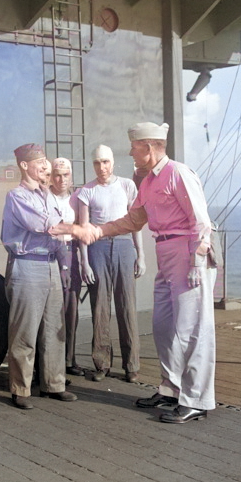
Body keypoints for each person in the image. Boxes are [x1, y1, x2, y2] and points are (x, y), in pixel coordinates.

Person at [53, 122, 217, 424]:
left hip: (187, 252)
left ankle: (196, 400)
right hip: (166, 252)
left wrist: (197, 262)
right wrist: (95, 231)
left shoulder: (178, 173)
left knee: (193, 329)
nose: (130, 152)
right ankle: (170, 390)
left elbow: (201, 221)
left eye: (134, 148)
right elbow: (132, 220)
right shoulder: (149, 181)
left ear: (149, 149)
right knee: (164, 326)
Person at [1, 143, 77, 410]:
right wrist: (81, 229)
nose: (46, 166)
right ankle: (20, 388)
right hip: (28, 265)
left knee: (55, 328)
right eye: (40, 162)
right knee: (25, 330)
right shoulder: (17, 196)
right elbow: (45, 225)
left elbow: (58, 236)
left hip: (51, 265)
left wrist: (64, 267)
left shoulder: (48, 195)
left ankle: (54, 384)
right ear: (24, 166)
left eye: (46, 160)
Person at [77, 144, 145, 384]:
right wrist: (84, 263)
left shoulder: (127, 185)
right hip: (97, 248)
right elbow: (84, 230)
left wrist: (141, 255)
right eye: (97, 162)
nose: (101, 167)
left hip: (125, 246)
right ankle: (102, 363)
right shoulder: (87, 190)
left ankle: (132, 366)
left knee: (127, 306)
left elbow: (135, 222)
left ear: (113, 162)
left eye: (105, 162)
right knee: (100, 308)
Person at [48, 157, 84, 377]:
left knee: (71, 308)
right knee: (52, 309)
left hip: (70, 253)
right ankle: (52, 363)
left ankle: (69, 359)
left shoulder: (76, 199)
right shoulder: (44, 197)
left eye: (65, 175)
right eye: (57, 175)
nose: (61, 179)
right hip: (51, 253)